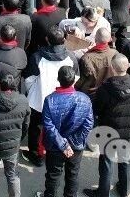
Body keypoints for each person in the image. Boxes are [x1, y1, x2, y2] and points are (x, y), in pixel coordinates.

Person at [91, 53, 130, 197]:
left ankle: (103, 193)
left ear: (112, 68)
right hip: (129, 132)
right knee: (125, 162)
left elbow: (96, 110)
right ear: (128, 66)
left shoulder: (104, 89)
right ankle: (124, 191)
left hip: (108, 133)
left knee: (106, 164)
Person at [40, 65, 93, 197]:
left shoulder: (50, 100)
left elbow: (49, 126)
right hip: (76, 146)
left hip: (54, 145)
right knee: (73, 175)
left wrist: (64, 145)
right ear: (74, 80)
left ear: (58, 79)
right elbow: (88, 125)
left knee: (53, 175)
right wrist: (71, 143)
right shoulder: (85, 99)